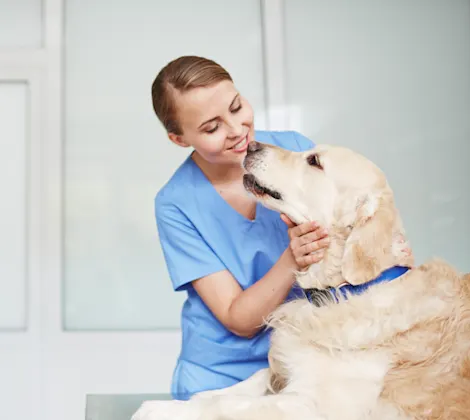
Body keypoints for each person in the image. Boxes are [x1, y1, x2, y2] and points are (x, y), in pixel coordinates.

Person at [150, 55, 400, 400]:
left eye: (236, 107)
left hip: (309, 358)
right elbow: (238, 319)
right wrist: (292, 260)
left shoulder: (295, 152)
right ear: (180, 139)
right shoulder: (176, 204)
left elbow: (357, 244)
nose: (236, 130)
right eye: (212, 128)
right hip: (222, 375)